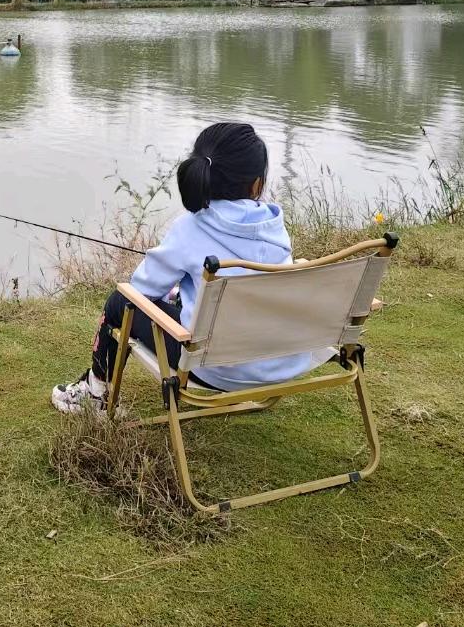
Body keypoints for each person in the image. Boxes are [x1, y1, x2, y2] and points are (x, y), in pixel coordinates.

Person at [51, 121, 327, 414]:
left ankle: (94, 395)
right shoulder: (275, 227)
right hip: (279, 359)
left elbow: (141, 289)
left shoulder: (190, 228)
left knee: (120, 302)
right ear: (257, 183)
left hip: (214, 368)